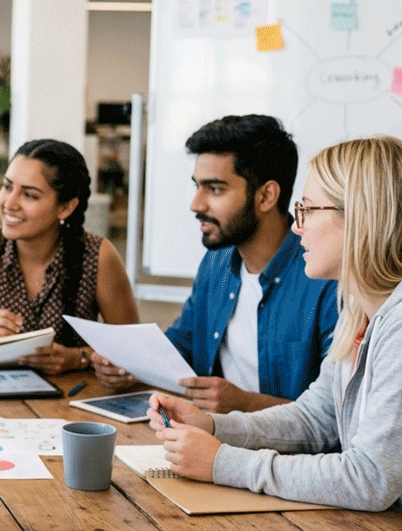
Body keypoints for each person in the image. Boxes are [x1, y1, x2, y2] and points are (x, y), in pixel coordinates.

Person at [148, 136, 402, 531]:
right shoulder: (363, 305)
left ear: (362, 218)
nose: (296, 226)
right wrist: (215, 425)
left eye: (308, 210)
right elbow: (315, 419)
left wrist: (224, 462)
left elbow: (370, 478)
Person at [93, 115, 337, 412]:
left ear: (266, 196)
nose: (196, 204)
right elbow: (182, 346)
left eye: (215, 189)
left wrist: (247, 404)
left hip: (283, 455)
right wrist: (127, 366)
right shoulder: (217, 262)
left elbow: (335, 417)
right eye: (197, 186)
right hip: (214, 439)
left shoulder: (325, 278)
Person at [0, 139, 139, 373]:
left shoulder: (98, 256)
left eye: (29, 195)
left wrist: (78, 358)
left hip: (70, 402)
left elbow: (134, 349)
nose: (9, 203)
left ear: (65, 207)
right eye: (7, 187)